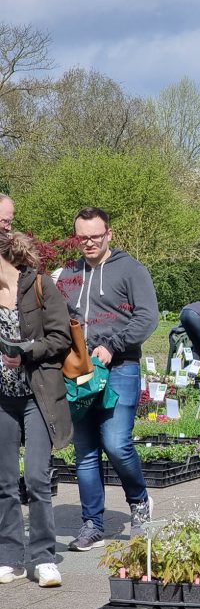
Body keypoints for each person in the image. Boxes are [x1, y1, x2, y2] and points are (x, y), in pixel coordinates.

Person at [56, 207, 158, 551]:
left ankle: (140, 501)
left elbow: (147, 317)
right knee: (84, 450)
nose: (88, 243)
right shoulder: (68, 275)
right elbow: (56, 319)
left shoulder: (131, 270)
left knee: (116, 443)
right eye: (82, 237)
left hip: (120, 367)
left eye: (94, 236)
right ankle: (92, 523)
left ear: (108, 234)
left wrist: (113, 346)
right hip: (79, 373)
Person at [0, 233, 72, 587]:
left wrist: (26, 350)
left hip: (37, 395)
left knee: (38, 479)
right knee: (5, 481)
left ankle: (44, 557)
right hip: (2, 399)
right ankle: (10, 557)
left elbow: (61, 338)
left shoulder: (40, 286)